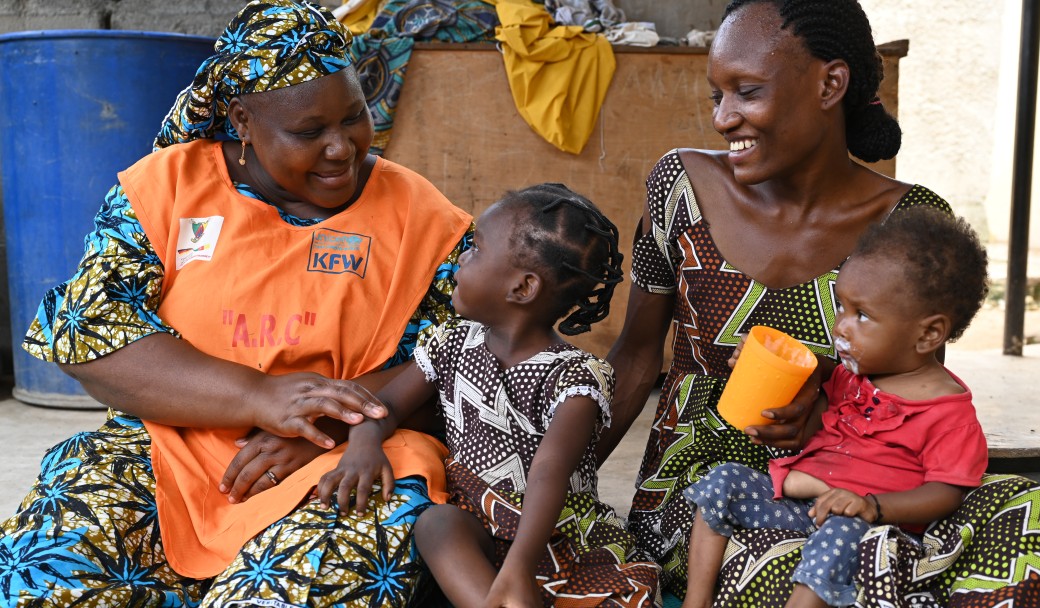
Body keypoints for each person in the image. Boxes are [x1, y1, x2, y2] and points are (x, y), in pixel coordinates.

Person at [599, 0, 1040, 604]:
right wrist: (559, 490)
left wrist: (825, 397)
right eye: (716, 96)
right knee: (788, 570)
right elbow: (635, 357)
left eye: (747, 92)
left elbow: (913, 388)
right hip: (701, 494)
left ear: (830, 83)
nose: (724, 119)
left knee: (1020, 516)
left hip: (853, 486)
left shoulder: (909, 224)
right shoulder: (681, 185)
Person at [0, 1, 473, 606]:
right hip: (166, 448)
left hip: (352, 461)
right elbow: (90, 334)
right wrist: (259, 396)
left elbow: (465, 361)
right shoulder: (165, 188)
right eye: (308, 132)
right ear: (242, 121)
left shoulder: (421, 217)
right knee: (50, 576)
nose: (341, 148)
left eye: (355, 118)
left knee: (289, 590)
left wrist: (321, 427)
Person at [317, 184, 661, 607]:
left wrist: (519, 564)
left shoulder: (576, 377)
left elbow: (548, 473)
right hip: (476, 522)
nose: (462, 258)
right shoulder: (451, 343)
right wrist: (364, 445)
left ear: (522, 288)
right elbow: (383, 407)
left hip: (554, 534)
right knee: (436, 524)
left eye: (476, 248)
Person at [682, 207, 989, 608]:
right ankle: (696, 600)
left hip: (868, 524)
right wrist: (763, 368)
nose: (841, 326)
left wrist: (874, 506)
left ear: (929, 333)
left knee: (842, 529)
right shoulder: (852, 378)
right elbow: (810, 407)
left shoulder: (948, 414)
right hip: (802, 505)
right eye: (841, 307)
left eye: (861, 315)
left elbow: (947, 492)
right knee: (723, 481)